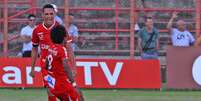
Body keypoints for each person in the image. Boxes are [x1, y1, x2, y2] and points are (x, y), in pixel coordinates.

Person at [30, 4, 60, 101]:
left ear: (54, 14)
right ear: (42, 15)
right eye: (46, 14)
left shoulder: (60, 29)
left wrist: (72, 66)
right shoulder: (37, 30)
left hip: (59, 64)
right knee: (50, 89)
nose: (49, 16)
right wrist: (32, 68)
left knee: (62, 91)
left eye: (51, 14)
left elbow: (68, 48)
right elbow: (34, 49)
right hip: (46, 65)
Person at [45, 25, 80, 101]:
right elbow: (66, 66)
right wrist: (72, 81)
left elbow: (46, 65)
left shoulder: (51, 48)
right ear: (64, 38)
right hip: (62, 84)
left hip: (53, 85)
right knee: (76, 97)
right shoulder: (62, 49)